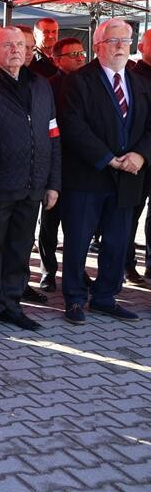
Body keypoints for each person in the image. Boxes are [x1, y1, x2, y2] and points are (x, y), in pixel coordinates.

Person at [0, 26, 60, 334]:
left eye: (21, 44)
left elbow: (54, 136)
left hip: (33, 184)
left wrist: (53, 182)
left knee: (20, 249)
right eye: (8, 45)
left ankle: (12, 305)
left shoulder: (42, 85)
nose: (16, 50)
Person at [59, 18, 151, 325]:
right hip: (89, 176)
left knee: (117, 239)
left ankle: (105, 297)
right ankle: (73, 298)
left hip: (128, 178)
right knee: (79, 239)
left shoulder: (140, 82)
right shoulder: (79, 80)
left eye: (125, 40)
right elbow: (73, 126)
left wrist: (140, 155)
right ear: (98, 46)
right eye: (113, 41)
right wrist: (108, 158)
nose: (120, 47)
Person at [37, 37, 87, 291]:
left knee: (77, 224)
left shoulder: (90, 82)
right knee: (49, 222)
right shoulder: (48, 86)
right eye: (73, 54)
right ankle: (48, 270)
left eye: (82, 52)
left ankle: (77, 270)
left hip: (82, 165)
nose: (80, 57)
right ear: (57, 60)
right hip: (55, 163)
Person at [123, 28, 151, 284]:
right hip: (138, 158)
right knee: (131, 213)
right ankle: (127, 263)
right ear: (141, 47)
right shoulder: (133, 77)